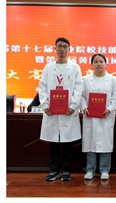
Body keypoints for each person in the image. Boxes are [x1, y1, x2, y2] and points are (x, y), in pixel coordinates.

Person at [39, 37, 83, 181]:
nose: (62, 49)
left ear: (69, 49)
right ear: (55, 48)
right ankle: (54, 170)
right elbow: (42, 87)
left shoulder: (75, 67)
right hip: (52, 111)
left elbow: (78, 88)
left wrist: (73, 105)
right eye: (59, 46)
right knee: (53, 143)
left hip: (68, 111)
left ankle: (66, 171)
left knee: (68, 143)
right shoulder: (48, 67)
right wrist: (45, 105)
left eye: (65, 46)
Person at [80, 53, 116, 181]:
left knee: (105, 143)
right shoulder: (86, 80)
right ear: (92, 64)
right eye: (96, 62)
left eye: (101, 61)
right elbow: (81, 96)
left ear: (105, 63)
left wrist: (109, 109)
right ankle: (90, 170)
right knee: (90, 143)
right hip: (90, 116)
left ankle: (104, 170)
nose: (98, 64)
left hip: (105, 116)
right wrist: (84, 107)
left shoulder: (112, 80)